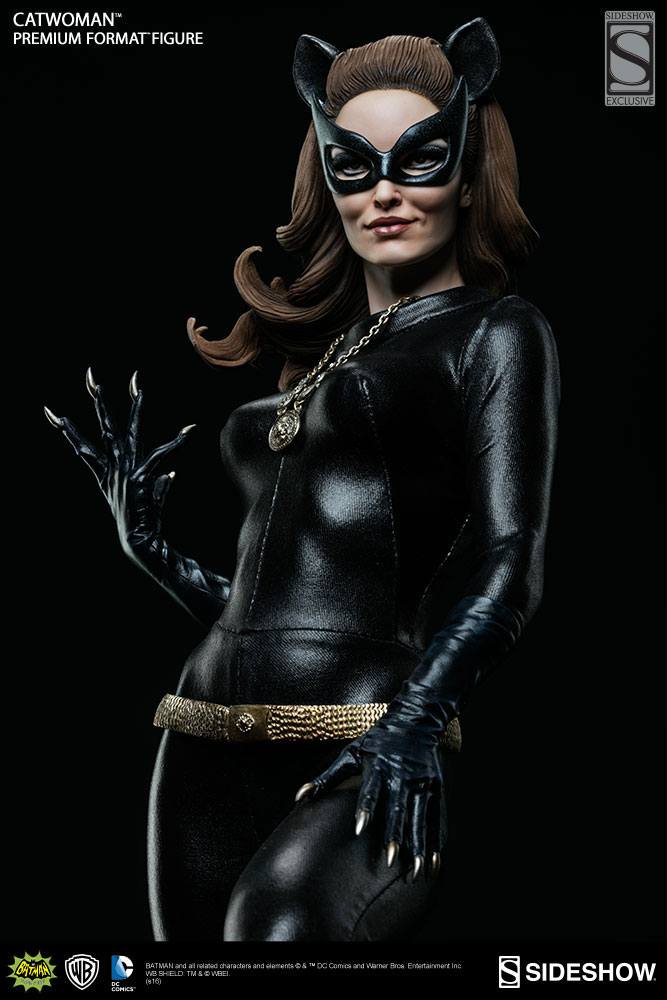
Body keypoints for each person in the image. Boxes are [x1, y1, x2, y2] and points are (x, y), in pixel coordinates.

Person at [43, 17, 561, 942]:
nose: (385, 192)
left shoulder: (495, 333)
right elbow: (297, 603)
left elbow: (509, 564)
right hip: (200, 737)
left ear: (467, 170)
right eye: (352, 167)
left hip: (365, 736)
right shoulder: (331, 354)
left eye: (420, 159)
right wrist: (155, 556)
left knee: (278, 930)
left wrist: (413, 723)